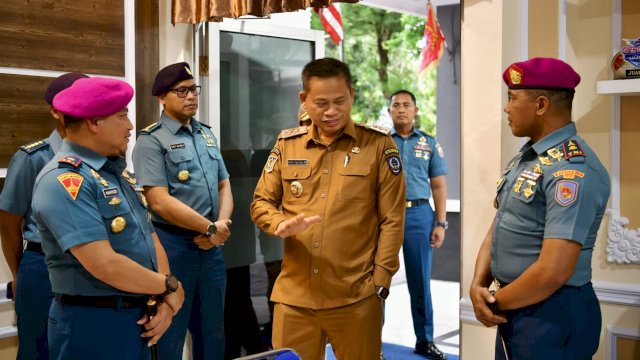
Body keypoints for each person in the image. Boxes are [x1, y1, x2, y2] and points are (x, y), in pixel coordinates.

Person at [250, 58, 406, 360]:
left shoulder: (379, 145)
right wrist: (279, 223)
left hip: (357, 297)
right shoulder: (287, 145)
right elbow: (261, 202)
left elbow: (392, 219)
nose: (331, 111)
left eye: (340, 101)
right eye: (321, 103)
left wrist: (381, 282)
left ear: (352, 95)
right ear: (304, 100)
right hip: (295, 298)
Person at [31, 77, 185, 360]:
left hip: (137, 313)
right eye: (123, 115)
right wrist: (169, 286)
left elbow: (148, 237)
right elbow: (104, 264)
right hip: (93, 323)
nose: (130, 126)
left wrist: (165, 301)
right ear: (94, 122)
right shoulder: (64, 180)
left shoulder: (114, 174)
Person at [469, 57, 610, 359]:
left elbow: (553, 271)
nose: (506, 108)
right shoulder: (528, 158)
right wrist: (477, 285)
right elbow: (501, 223)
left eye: (512, 98)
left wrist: (493, 301)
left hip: (552, 312)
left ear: (541, 104)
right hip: (516, 305)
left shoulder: (572, 170)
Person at [132, 62, 232, 360]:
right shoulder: (151, 141)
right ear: (162, 97)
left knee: (213, 334)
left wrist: (221, 226)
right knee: (170, 335)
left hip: (211, 249)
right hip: (173, 248)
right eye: (182, 91)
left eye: (193, 89)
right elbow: (159, 201)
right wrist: (210, 228)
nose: (191, 96)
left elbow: (224, 184)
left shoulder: (206, 134)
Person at [0, 72, 87, 360]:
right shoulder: (32, 158)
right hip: (42, 266)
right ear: (56, 111)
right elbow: (10, 224)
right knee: (38, 349)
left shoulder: (104, 158)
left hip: (92, 264)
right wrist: (19, 274)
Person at [389, 90, 448, 360]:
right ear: (389, 110)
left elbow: (438, 184)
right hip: (385, 217)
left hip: (419, 215)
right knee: (376, 280)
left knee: (420, 282)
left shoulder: (428, 144)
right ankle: (368, 339)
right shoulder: (379, 143)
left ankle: (425, 340)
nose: (401, 109)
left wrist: (441, 223)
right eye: (396, 105)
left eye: (406, 105)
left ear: (415, 110)